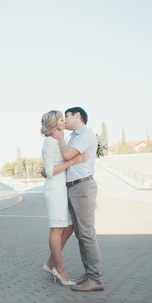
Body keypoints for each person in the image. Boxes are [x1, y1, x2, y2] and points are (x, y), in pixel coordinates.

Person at [51, 107, 104, 292]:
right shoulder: (75, 136)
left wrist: (59, 138)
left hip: (83, 187)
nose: (64, 120)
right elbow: (66, 160)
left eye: (67, 116)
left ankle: (95, 278)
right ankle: (89, 274)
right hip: (73, 187)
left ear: (78, 116)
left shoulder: (86, 135)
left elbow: (67, 155)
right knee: (81, 234)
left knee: (87, 233)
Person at [40, 110, 88, 286]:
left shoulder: (59, 140)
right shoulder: (49, 142)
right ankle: (60, 271)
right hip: (55, 190)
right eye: (61, 119)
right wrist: (73, 162)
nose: (64, 121)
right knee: (57, 229)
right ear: (54, 124)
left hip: (62, 188)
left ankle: (50, 263)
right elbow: (51, 171)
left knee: (68, 228)